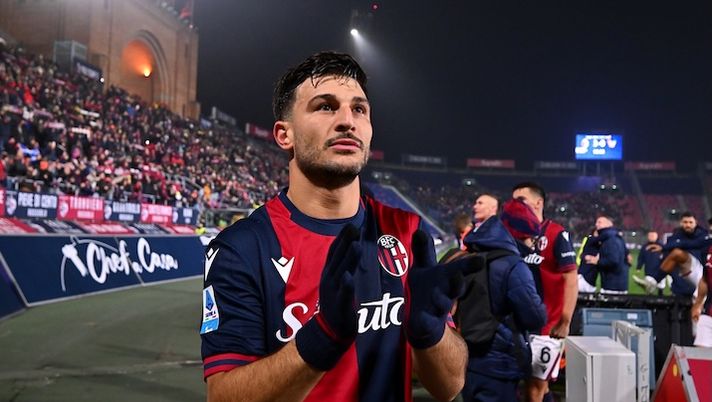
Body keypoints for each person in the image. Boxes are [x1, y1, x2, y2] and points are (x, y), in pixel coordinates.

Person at [199, 52, 477, 402]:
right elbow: (223, 396)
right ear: (285, 135)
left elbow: (450, 386)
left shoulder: (404, 230)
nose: (348, 120)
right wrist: (322, 338)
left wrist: (429, 332)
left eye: (359, 109)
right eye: (325, 106)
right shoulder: (241, 247)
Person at [458, 199, 547, 402]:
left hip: (468, 358)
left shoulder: (470, 257)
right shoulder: (514, 265)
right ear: (525, 236)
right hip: (499, 363)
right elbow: (535, 316)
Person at [511, 182, 578, 402]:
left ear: (538, 203)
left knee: (535, 387)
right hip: (517, 324)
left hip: (546, 327)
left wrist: (565, 320)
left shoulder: (557, 234)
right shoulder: (511, 236)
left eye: (521, 200)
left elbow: (570, 278)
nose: (515, 205)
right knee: (535, 386)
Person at [639, 212, 711, 295]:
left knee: (677, 253)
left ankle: (653, 282)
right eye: (685, 222)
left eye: (690, 222)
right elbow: (667, 258)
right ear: (681, 223)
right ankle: (653, 282)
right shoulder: (675, 236)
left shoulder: (703, 236)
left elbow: (692, 244)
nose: (688, 225)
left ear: (696, 223)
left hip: (699, 278)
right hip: (679, 284)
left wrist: (665, 247)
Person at [585, 216, 628, 294]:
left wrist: (597, 261)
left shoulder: (610, 240)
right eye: (596, 222)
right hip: (618, 283)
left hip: (612, 286)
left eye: (600, 222)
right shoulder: (615, 237)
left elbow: (613, 260)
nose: (596, 224)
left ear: (609, 224)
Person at [632, 231, 666, 295]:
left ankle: (661, 297)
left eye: (653, 236)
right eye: (650, 236)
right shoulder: (644, 247)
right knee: (649, 287)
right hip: (649, 270)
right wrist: (638, 268)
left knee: (661, 286)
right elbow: (641, 258)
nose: (651, 237)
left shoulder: (662, 246)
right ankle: (649, 298)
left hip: (660, 269)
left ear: (657, 236)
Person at [577, 228, 600, 293]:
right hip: (583, 278)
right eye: (598, 233)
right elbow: (582, 255)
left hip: (591, 281)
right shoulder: (590, 240)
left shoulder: (602, 246)